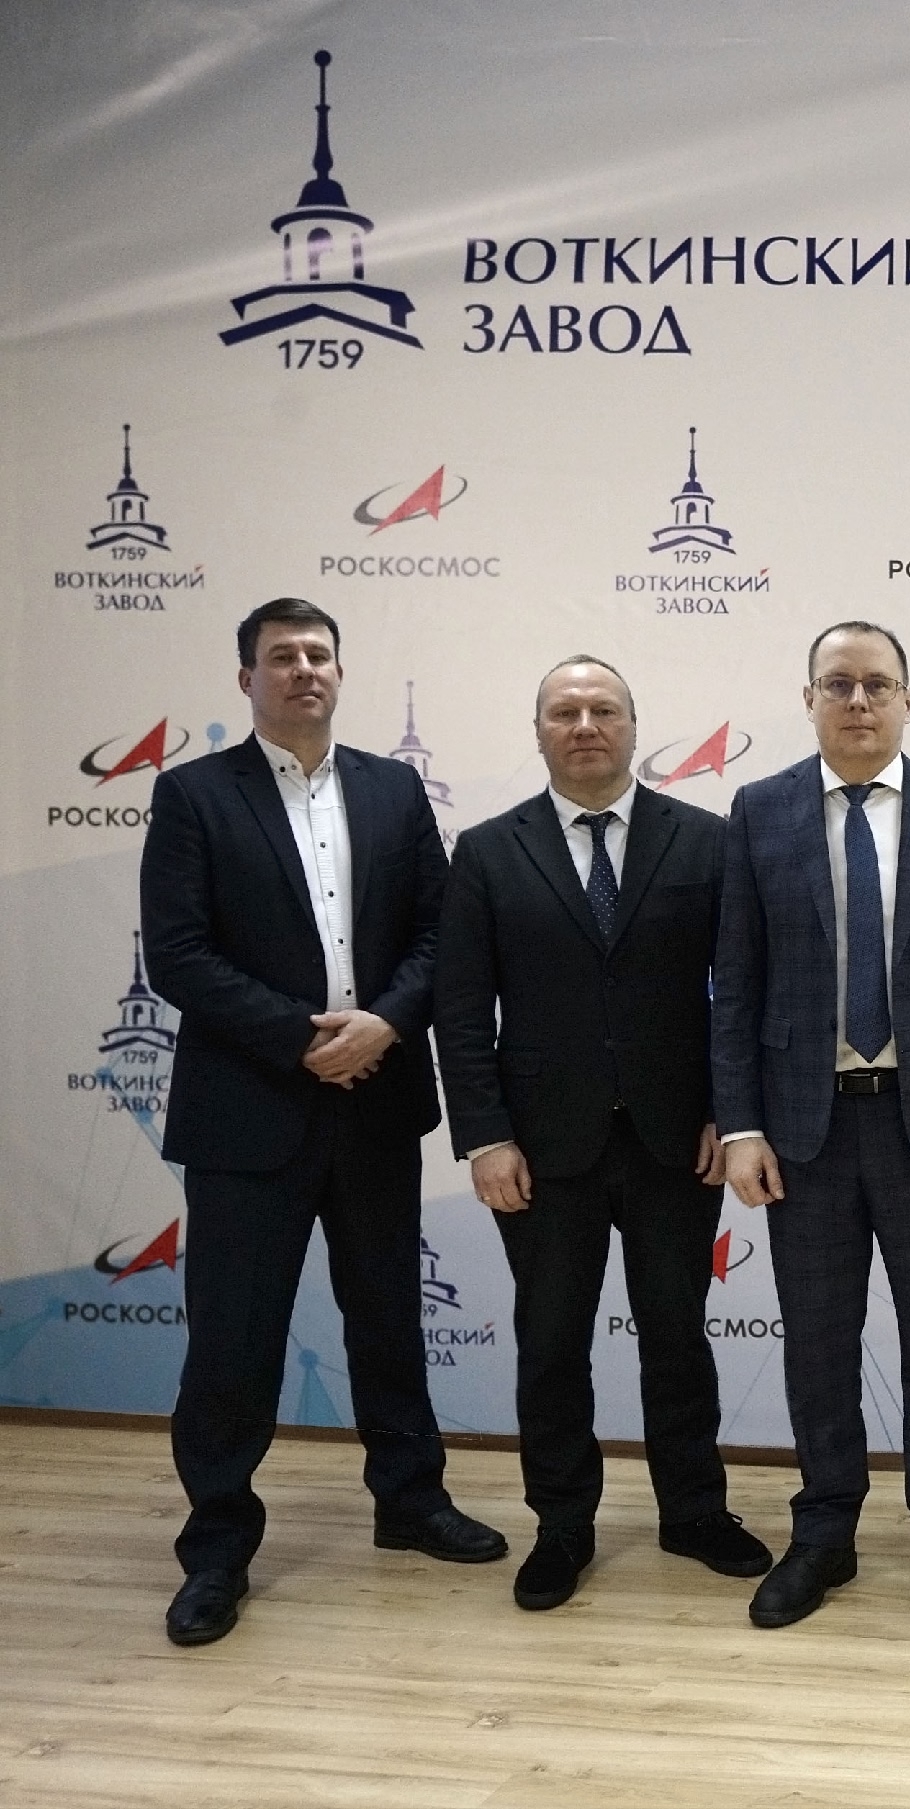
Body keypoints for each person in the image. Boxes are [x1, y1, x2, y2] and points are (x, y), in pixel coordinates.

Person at [140, 597, 505, 1647]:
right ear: (246, 679)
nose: (303, 669)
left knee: (388, 1318)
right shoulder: (194, 795)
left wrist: (384, 1022)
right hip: (247, 1113)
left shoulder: (393, 789)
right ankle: (217, 1547)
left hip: (377, 1101)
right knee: (233, 1339)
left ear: (340, 673)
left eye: (319, 654)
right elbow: (178, 955)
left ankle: (411, 1501)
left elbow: (441, 932)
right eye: (281, 656)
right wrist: (302, 1039)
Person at [434, 656, 770, 1612]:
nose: (585, 724)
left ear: (632, 724)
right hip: (541, 1150)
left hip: (678, 1140)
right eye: (565, 711)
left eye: (603, 709)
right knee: (550, 1343)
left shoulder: (705, 840)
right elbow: (461, 1007)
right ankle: (562, 1525)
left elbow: (742, 991)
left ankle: (694, 1511)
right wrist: (485, 1136)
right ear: (540, 730)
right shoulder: (487, 851)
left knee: (678, 1337)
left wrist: (731, 1110)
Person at [711, 621, 910, 1632]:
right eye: (837, 684)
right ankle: (824, 1532)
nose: (858, 701)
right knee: (817, 1343)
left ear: (909, 701)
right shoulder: (760, 811)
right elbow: (735, 985)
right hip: (805, 1131)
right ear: (809, 699)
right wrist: (741, 1124)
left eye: (877, 684)